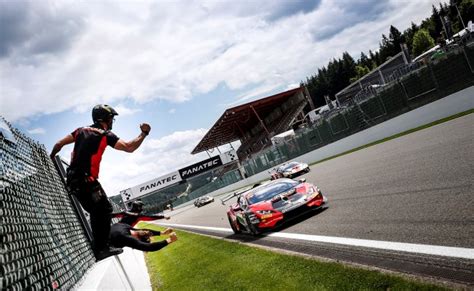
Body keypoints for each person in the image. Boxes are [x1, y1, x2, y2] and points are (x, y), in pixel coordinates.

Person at [50, 104, 151, 260]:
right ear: (104, 118)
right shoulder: (105, 134)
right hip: (87, 180)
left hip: (72, 179)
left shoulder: (80, 130)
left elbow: (58, 144)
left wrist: (51, 157)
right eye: (111, 118)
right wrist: (144, 134)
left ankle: (100, 246)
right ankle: (101, 248)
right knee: (104, 209)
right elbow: (129, 147)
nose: (112, 121)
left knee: (98, 211)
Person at [109, 224, 177, 252]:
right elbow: (149, 247)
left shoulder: (125, 226)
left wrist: (162, 233)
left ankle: (163, 233)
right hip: (102, 248)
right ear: (138, 240)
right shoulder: (127, 238)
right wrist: (170, 240)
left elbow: (144, 231)